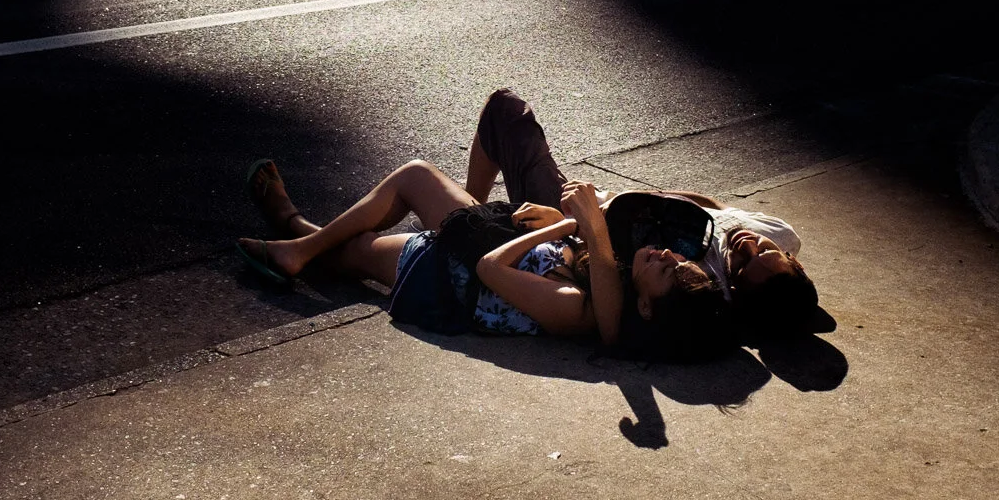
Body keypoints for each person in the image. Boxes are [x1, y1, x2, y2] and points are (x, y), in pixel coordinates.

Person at [237, 89, 817, 348]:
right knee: (367, 246)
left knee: (397, 202)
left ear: (732, 288)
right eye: (767, 249)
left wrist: (577, 224)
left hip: (469, 271)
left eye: (746, 259)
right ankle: (302, 233)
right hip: (517, 244)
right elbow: (611, 260)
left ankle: (298, 236)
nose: (747, 243)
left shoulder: (683, 293)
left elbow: (600, 306)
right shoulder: (767, 239)